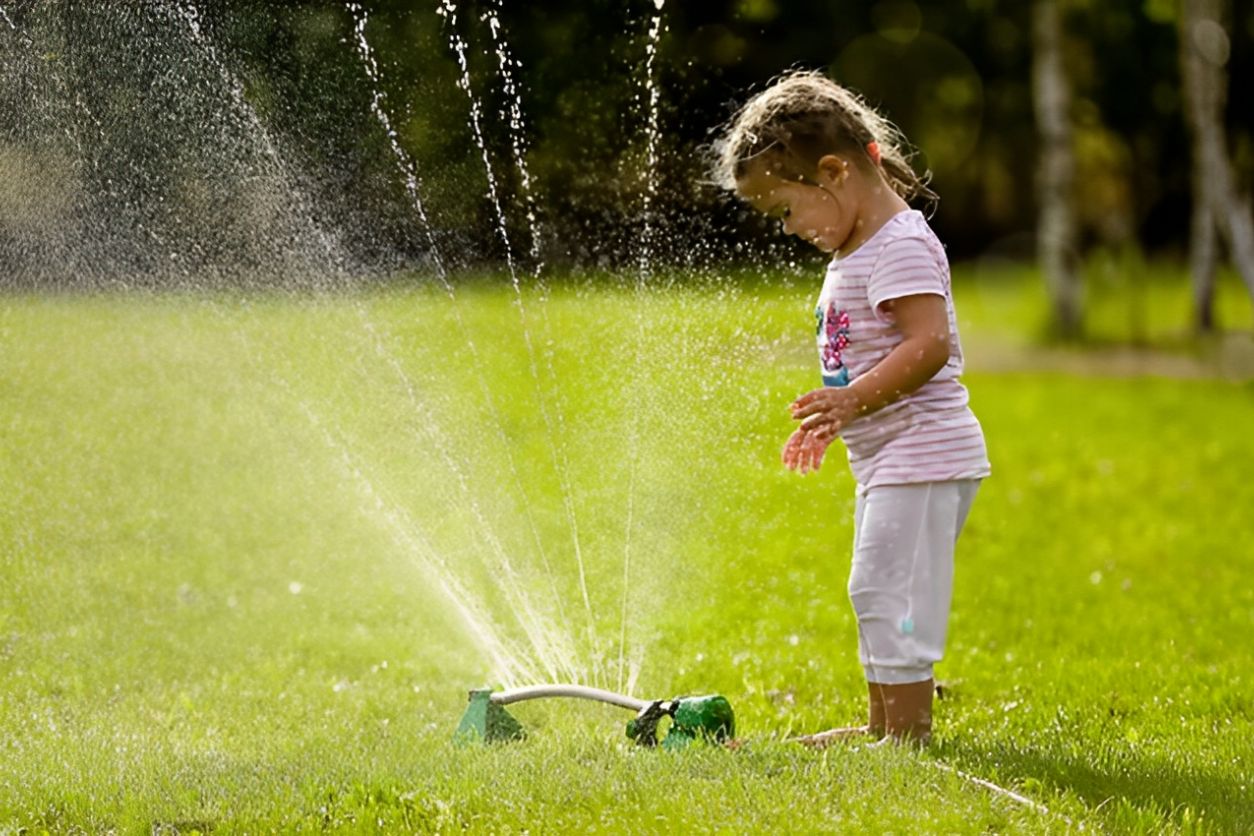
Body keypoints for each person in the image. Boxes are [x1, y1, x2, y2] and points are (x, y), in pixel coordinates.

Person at [714, 70, 990, 745]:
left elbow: (930, 344)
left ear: (833, 172)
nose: (787, 229)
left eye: (784, 209)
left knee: (890, 594)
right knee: (876, 591)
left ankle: (907, 736)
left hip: (927, 454)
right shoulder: (859, 248)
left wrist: (851, 401)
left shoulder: (900, 245)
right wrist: (840, 419)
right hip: (893, 457)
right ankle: (882, 727)